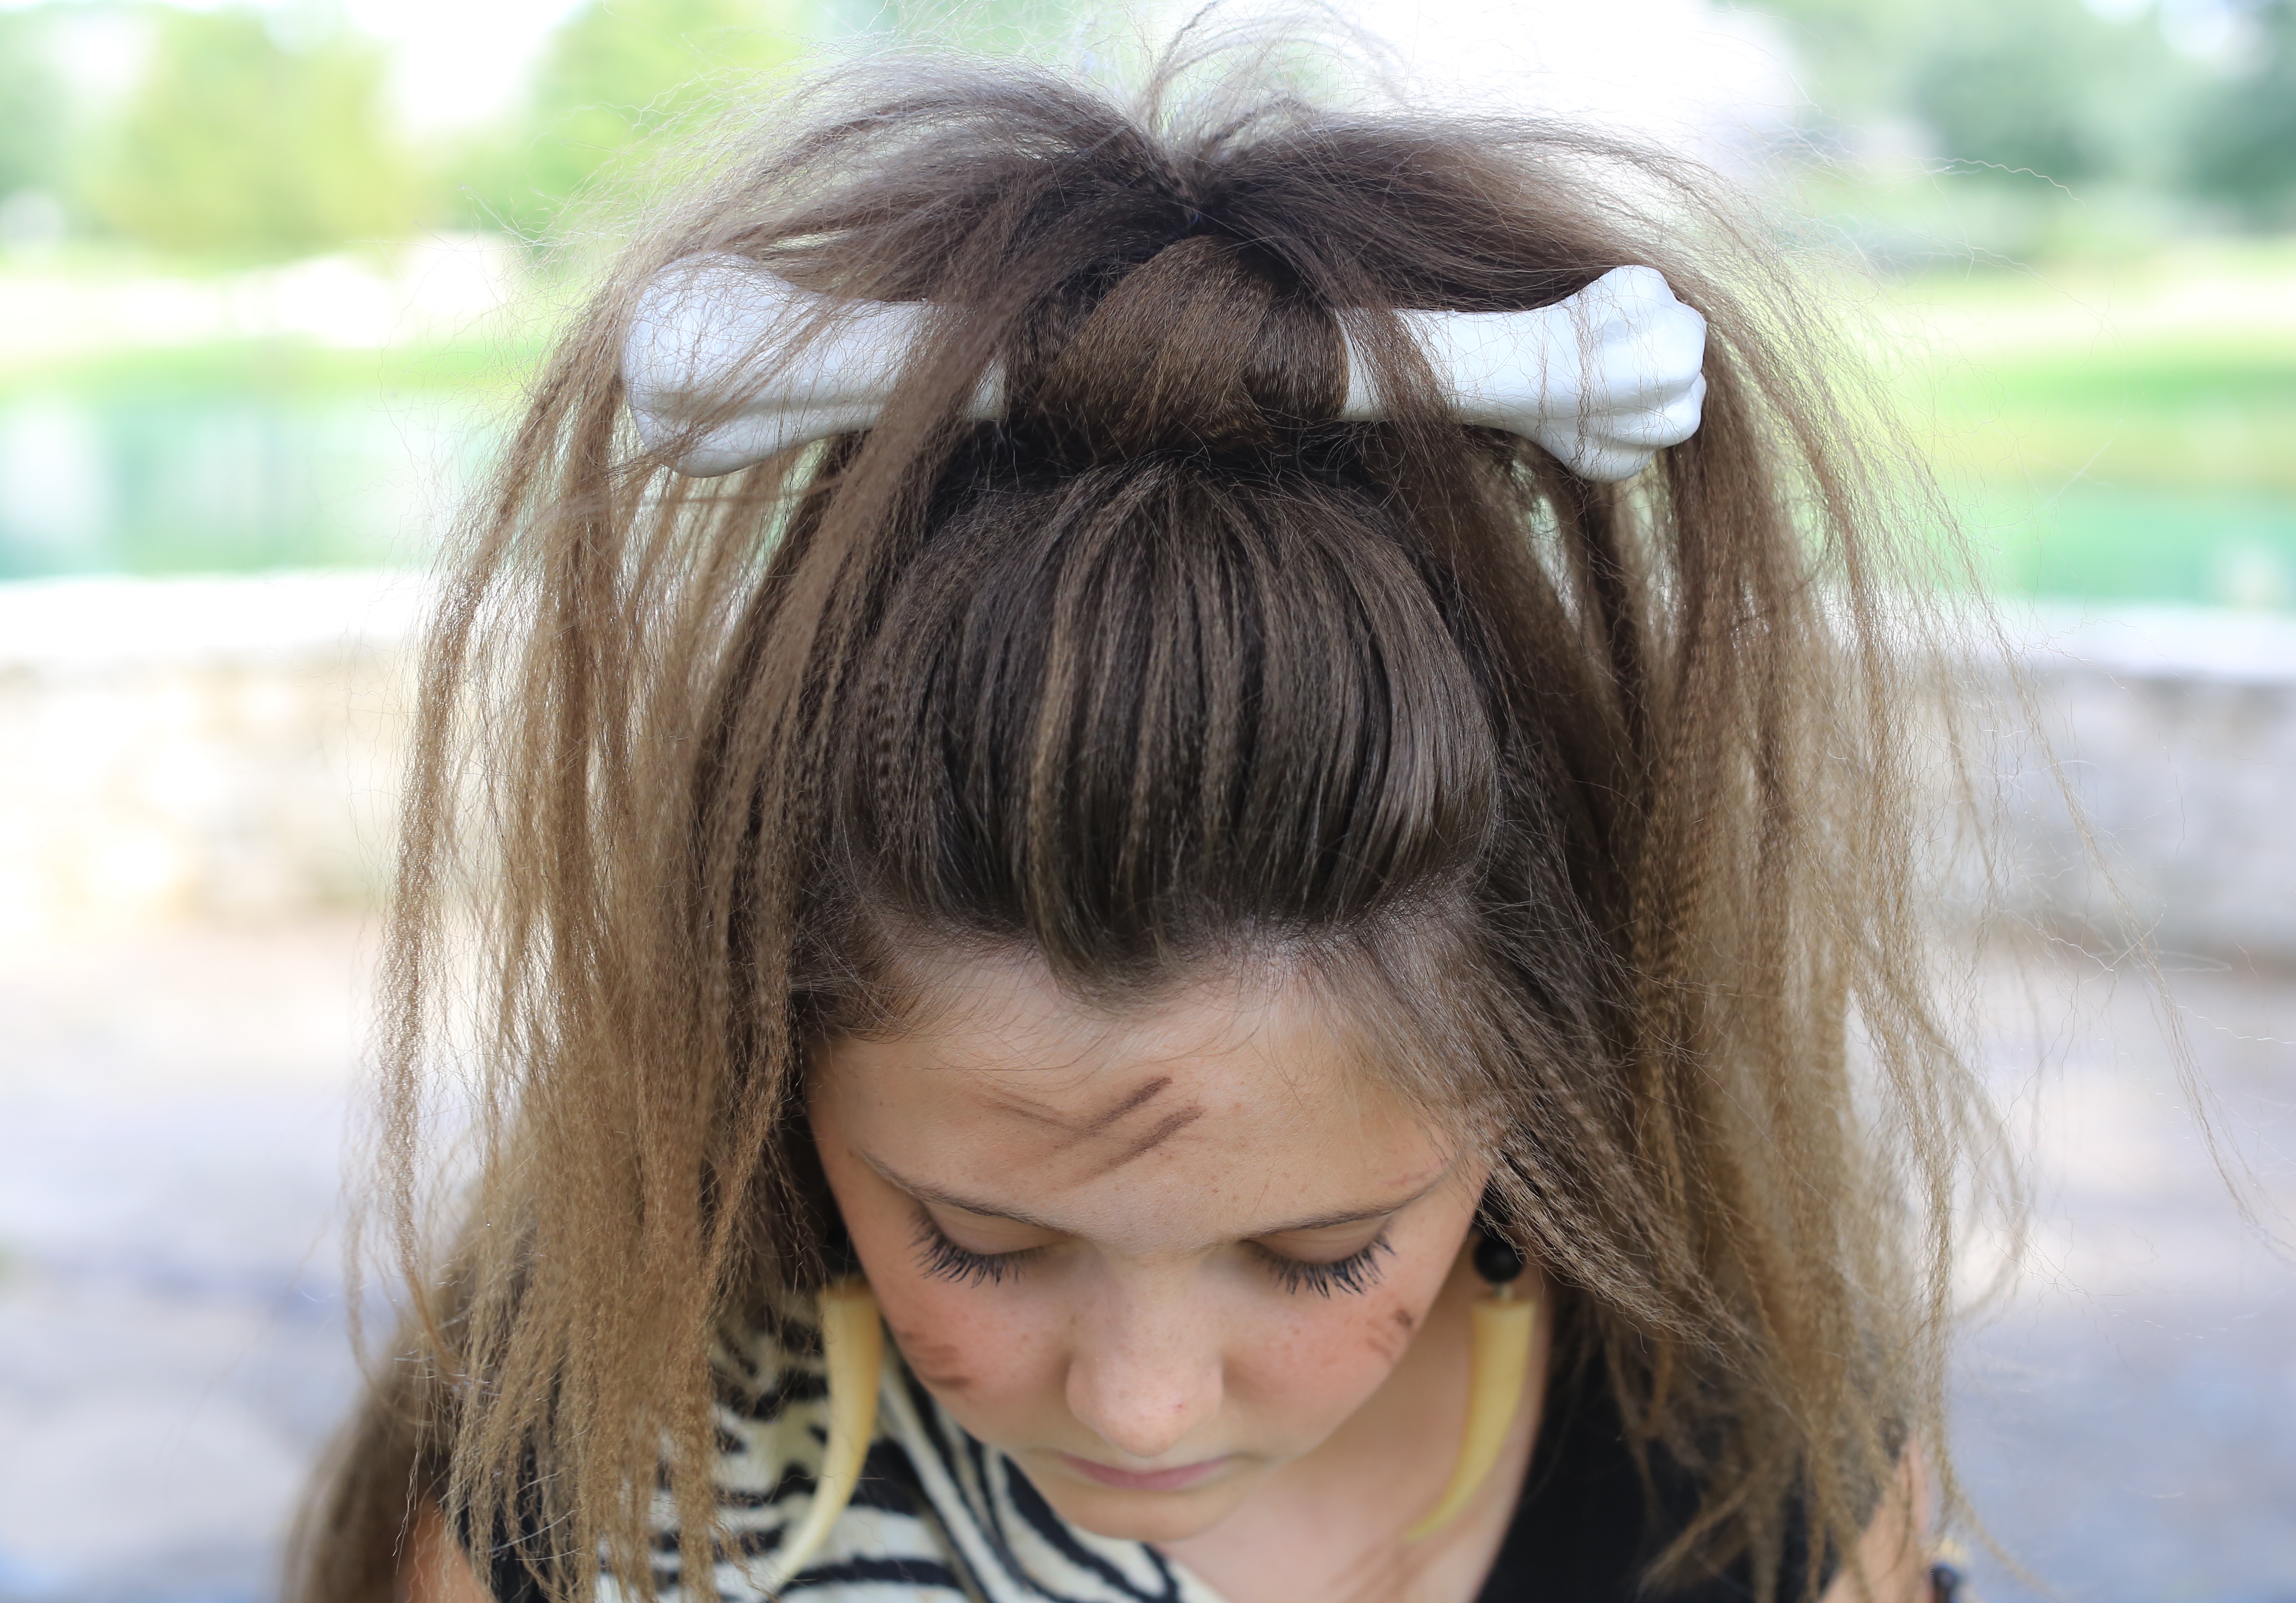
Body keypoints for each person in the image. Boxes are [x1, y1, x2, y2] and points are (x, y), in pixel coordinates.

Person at [291, 33, 1990, 1603]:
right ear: (767, 1057)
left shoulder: (1751, 1482)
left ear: (1540, 1084)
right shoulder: (582, 1482)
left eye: (1323, 1255)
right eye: (982, 1242)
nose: (1146, 1402)